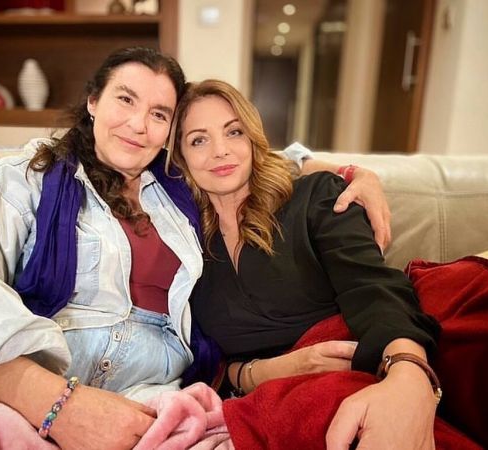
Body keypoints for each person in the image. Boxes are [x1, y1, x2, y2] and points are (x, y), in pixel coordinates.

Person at [0, 47, 389, 450]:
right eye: (125, 99)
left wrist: (353, 173)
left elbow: (252, 157)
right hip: (38, 378)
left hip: (157, 397)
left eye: (159, 114)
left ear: (169, 133)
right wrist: (58, 404)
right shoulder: (23, 180)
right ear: (93, 101)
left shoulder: (181, 185)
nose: (139, 125)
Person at [167, 79, 442, 449]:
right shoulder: (183, 247)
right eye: (199, 140)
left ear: (253, 138)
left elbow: (373, 289)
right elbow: (204, 358)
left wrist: (408, 372)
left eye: (234, 132)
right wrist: (263, 372)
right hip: (271, 405)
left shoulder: (316, 197)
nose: (220, 151)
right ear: (180, 157)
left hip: (361, 374)